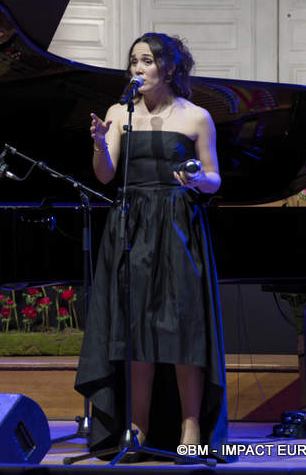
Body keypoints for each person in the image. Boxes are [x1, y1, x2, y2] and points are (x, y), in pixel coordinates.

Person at [74, 33, 230, 463]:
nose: (137, 68)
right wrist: (100, 142)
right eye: (133, 61)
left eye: (147, 61)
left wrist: (198, 179)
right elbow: (105, 176)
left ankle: (191, 424)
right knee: (135, 325)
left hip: (178, 226)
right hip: (131, 225)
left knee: (181, 326)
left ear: (170, 69)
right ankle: (137, 425)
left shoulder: (196, 117)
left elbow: (214, 178)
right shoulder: (118, 113)